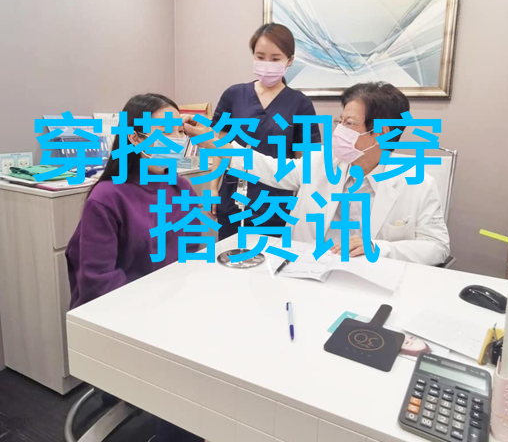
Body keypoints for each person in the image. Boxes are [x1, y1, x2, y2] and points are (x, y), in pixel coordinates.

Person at [184, 82, 450, 266]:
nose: (338, 131)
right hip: (308, 275)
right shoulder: (322, 162)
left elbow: (437, 247)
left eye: (349, 124)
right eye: (339, 121)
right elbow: (268, 167)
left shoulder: (418, 183)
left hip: (372, 283)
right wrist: (215, 143)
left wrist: (381, 248)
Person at [66, 93, 204, 442]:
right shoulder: (108, 197)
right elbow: (99, 282)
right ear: (135, 137)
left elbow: (193, 255)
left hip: (173, 310)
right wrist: (160, 311)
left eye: (178, 131)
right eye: (164, 131)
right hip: (126, 319)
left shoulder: (181, 186)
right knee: (188, 380)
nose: (175, 140)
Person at [209, 23, 321, 240]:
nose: (267, 64)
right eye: (260, 57)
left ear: (289, 60)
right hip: (233, 199)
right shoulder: (234, 95)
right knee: (229, 255)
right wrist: (213, 188)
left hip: (276, 204)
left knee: (272, 259)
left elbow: (305, 165)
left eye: (275, 59)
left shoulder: (300, 104)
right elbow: (219, 146)